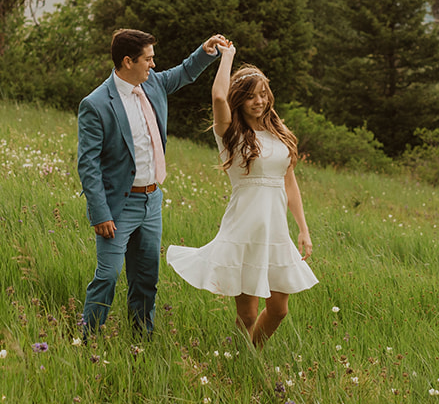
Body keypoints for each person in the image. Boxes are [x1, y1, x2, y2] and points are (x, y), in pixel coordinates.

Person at [77, 28, 231, 332]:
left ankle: (141, 340)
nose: (153, 64)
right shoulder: (96, 104)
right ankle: (87, 340)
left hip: (151, 201)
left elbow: (185, 72)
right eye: (148, 59)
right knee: (107, 276)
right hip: (116, 208)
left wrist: (206, 50)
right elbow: (88, 165)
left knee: (146, 278)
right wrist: (100, 213)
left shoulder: (154, 85)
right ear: (127, 61)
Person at [166, 44, 316, 347]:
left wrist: (303, 228)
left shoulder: (279, 133)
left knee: (279, 309)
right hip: (245, 229)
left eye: (262, 94)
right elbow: (219, 96)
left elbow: (289, 181)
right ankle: (243, 361)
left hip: (276, 231)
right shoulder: (230, 134)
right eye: (249, 96)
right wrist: (227, 57)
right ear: (239, 100)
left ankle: (251, 353)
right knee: (247, 315)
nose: (258, 101)